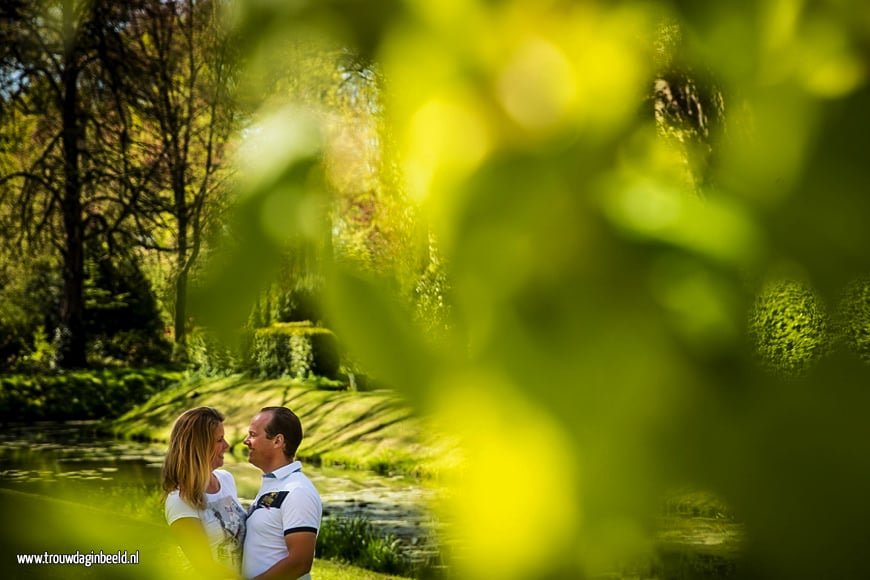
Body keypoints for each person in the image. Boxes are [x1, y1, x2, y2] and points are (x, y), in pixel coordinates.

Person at [162, 407, 246, 578]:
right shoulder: (179, 500)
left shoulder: (226, 479)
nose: (227, 446)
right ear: (199, 447)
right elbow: (205, 567)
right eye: (219, 440)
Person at [242, 406, 322, 579]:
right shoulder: (275, 484)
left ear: (277, 441)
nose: (245, 441)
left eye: (253, 435)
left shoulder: (297, 491)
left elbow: (300, 562)